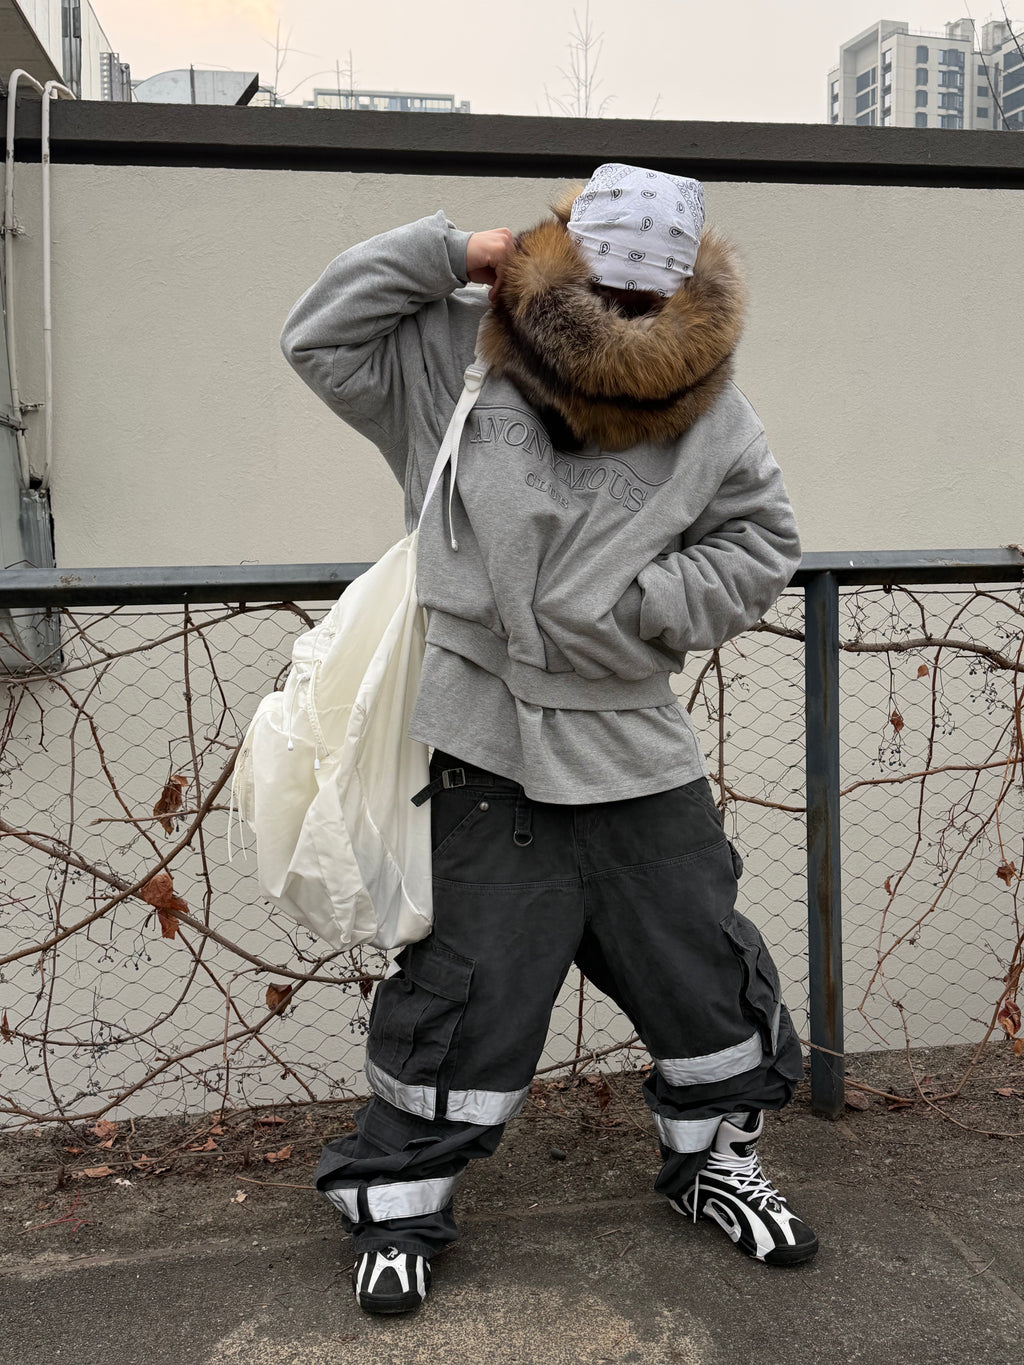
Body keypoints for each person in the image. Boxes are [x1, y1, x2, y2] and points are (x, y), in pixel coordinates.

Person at [281, 163, 817, 1316]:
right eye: (603, 282)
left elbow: (761, 542)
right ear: (559, 255)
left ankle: (714, 1164)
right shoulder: (460, 356)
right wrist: (446, 252)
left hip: (633, 744)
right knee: (464, 994)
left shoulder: (711, 405)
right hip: (484, 745)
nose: (621, 309)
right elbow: (319, 337)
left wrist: (639, 610)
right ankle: (398, 1205)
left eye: (646, 294)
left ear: (681, 292)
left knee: (701, 974)